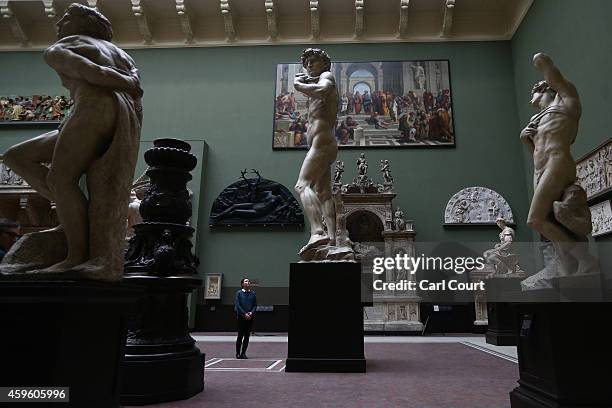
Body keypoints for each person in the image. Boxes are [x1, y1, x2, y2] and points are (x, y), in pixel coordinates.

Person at [2, 3, 142, 275]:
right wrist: (130, 82)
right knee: (16, 156)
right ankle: (79, 215)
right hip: (111, 113)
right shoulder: (124, 56)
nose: (59, 23)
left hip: (93, 108)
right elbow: (133, 83)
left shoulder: (61, 48)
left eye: (66, 18)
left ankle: (76, 256)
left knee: (60, 179)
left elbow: (93, 74)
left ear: (84, 23)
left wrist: (128, 84)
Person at [520, 52, 594, 277]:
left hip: (558, 163)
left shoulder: (566, 103)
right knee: (549, 220)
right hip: (540, 168)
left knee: (535, 219)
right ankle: (567, 266)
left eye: (532, 93)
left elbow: (555, 77)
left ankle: (585, 258)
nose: (529, 99)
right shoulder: (538, 120)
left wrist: (542, 62)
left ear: (543, 90)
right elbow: (537, 153)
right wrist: (526, 140)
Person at [293, 48, 339, 257]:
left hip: (322, 142)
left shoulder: (327, 76)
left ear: (324, 64)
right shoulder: (317, 80)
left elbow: (322, 90)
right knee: (324, 193)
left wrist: (299, 85)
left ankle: (317, 231)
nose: (309, 65)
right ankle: (333, 241)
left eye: (314, 61)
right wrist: (306, 83)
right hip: (322, 143)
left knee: (302, 185)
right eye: (307, 62)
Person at [234, 278, 257, 359]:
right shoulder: (239, 293)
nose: (248, 282)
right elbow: (238, 305)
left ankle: (243, 353)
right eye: (246, 281)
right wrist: (244, 314)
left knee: (247, 336)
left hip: (250, 317)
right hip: (241, 317)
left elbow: (255, 305)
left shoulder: (253, 293)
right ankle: (237, 353)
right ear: (242, 284)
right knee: (240, 335)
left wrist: (251, 313)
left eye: (248, 281)